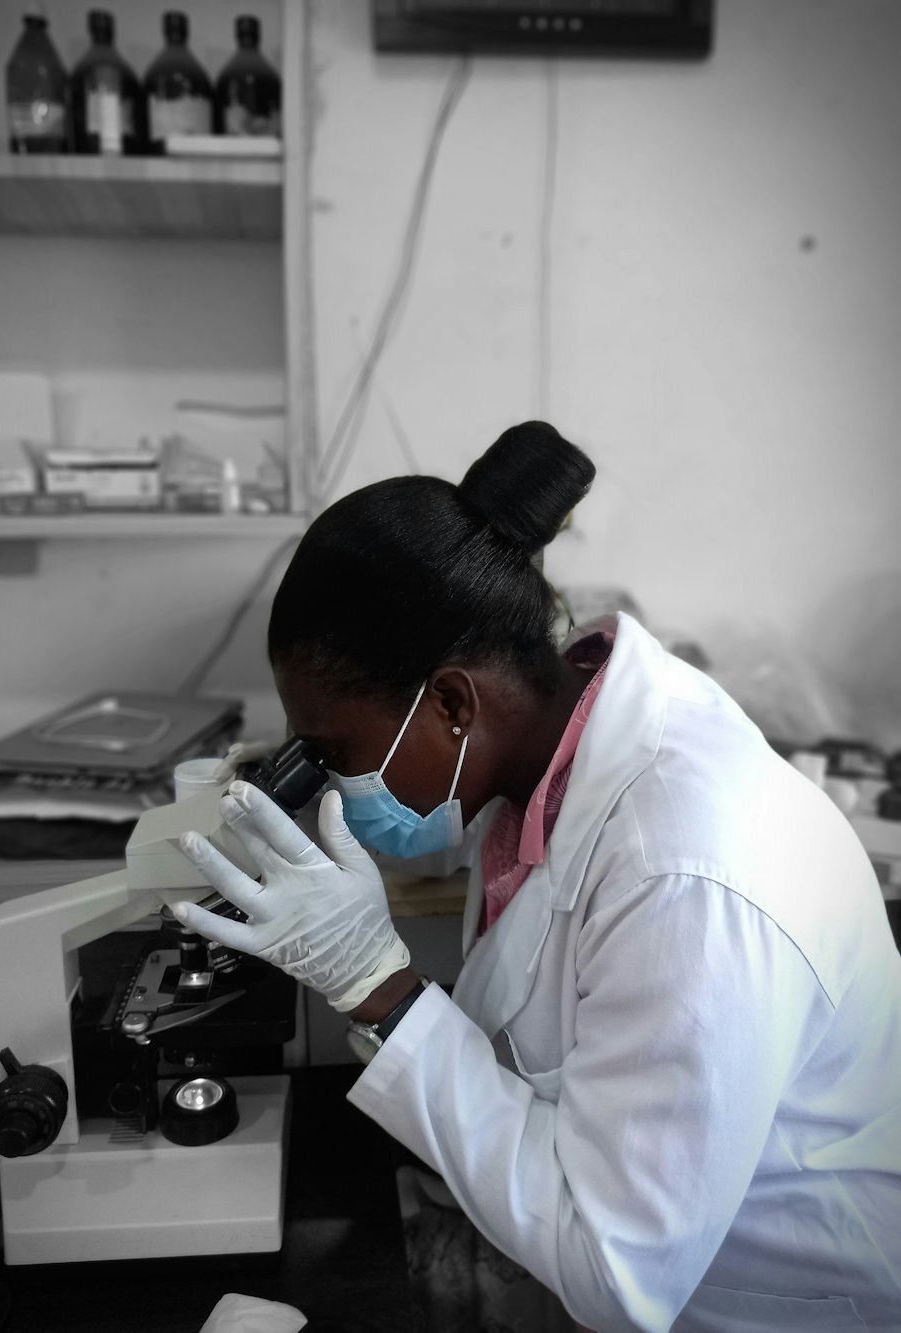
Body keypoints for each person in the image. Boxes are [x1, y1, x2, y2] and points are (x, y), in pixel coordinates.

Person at [174, 422, 901, 1332]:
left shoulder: (688, 875)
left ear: (449, 701)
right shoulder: (546, 738)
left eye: (332, 751)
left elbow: (617, 1277)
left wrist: (380, 990)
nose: (330, 776)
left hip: (761, 1302)